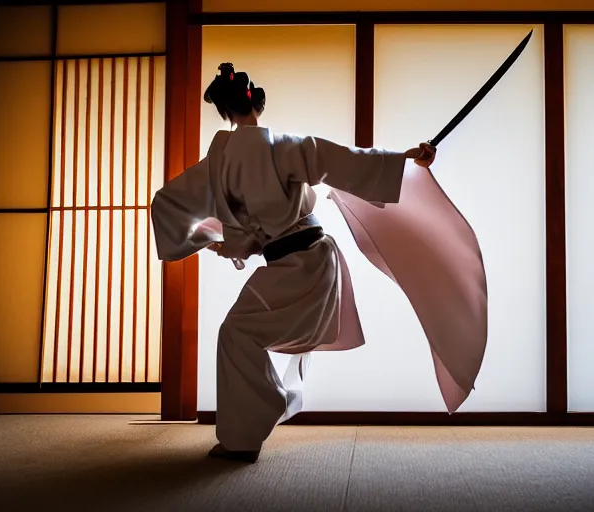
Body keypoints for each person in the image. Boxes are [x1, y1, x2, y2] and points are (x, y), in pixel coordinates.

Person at [151, 63, 436, 463]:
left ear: (226, 113)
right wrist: (402, 159)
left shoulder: (215, 168)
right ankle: (257, 419)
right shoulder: (285, 145)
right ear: (256, 106)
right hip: (313, 262)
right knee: (238, 334)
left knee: (236, 334)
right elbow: (347, 161)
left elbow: (166, 204)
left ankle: (252, 426)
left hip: (294, 265)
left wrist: (203, 238)